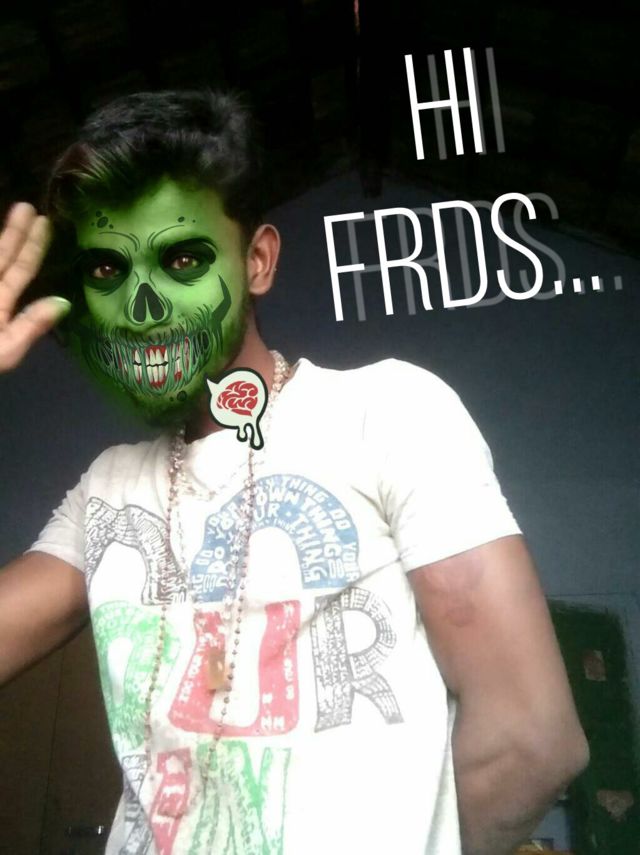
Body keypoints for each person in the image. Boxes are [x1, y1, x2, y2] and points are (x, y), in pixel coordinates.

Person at [0, 89, 589, 855]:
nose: (142, 305)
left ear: (258, 261)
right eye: (108, 269)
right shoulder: (107, 486)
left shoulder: (385, 412)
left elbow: (531, 740)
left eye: (183, 259)